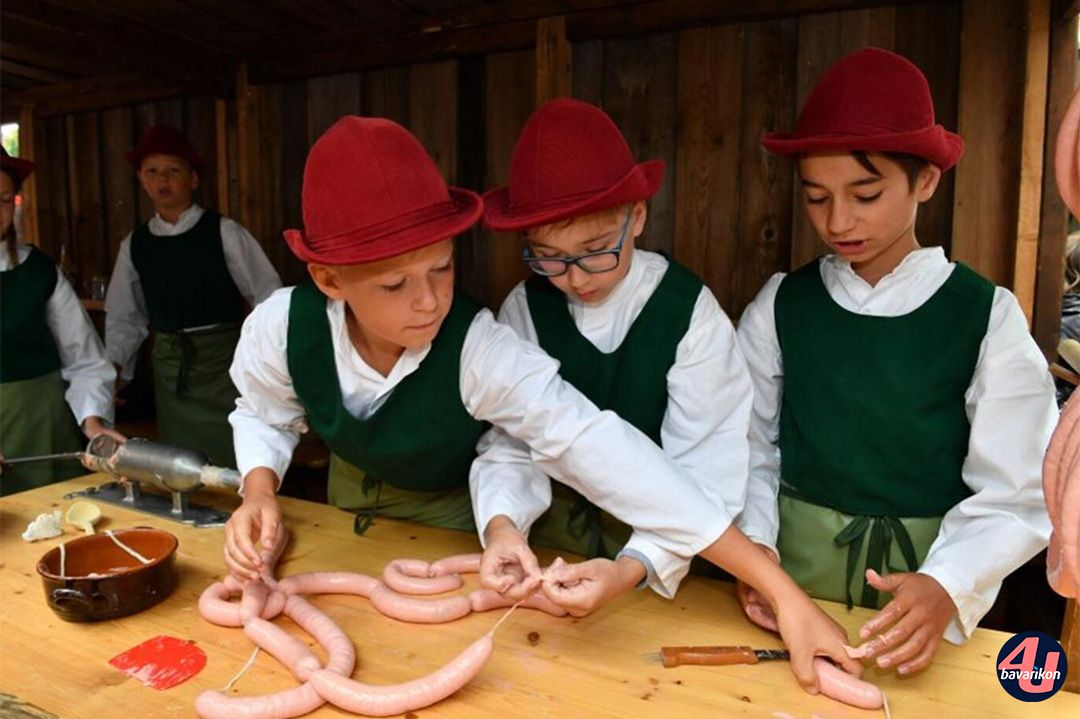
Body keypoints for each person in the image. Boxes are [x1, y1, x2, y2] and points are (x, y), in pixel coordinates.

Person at [224, 116, 858, 693]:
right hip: (369, 534)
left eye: (444, 270)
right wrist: (258, 490)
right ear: (330, 280)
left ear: (637, 217)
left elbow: (588, 442)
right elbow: (262, 409)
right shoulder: (280, 325)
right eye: (396, 285)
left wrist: (776, 587)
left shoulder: (480, 348)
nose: (429, 302)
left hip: (657, 538)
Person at [735, 48, 1057, 676]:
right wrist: (756, 552)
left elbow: (1018, 487)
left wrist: (948, 584)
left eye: (866, 193)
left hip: (924, 599)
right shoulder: (782, 304)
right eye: (817, 198)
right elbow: (747, 444)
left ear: (926, 180)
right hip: (792, 591)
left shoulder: (984, 314)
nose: (839, 221)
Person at [472, 98, 752, 608]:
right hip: (549, 548)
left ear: (637, 217)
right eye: (551, 259)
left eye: (597, 249)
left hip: (667, 551)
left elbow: (710, 468)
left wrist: (633, 567)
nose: (576, 278)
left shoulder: (689, 313)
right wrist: (503, 525)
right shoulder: (525, 308)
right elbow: (511, 444)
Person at [105, 125, 280, 466]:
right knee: (181, 463)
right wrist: (114, 373)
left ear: (193, 179)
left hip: (223, 367)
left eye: (173, 170)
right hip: (172, 371)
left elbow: (268, 297)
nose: (162, 180)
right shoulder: (136, 245)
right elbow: (125, 316)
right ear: (141, 179)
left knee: (233, 454)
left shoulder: (224, 233)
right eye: (152, 172)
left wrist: (268, 361)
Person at [0, 149, 124, 495]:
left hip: (45, 431)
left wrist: (94, 423)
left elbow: (85, 360)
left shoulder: (38, 272)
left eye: (5, 199)